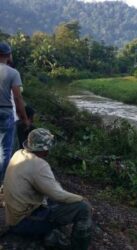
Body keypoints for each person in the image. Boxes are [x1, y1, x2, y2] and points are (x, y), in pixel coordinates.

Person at [3, 128, 92, 250]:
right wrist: (82, 199)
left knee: (55, 196)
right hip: (23, 223)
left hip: (14, 217)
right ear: (45, 149)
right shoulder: (39, 165)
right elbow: (58, 195)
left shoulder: (18, 153)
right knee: (83, 208)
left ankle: (50, 235)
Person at [0, 41, 29, 181]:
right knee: (5, 150)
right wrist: (24, 118)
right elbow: (17, 98)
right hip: (5, 112)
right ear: (8, 55)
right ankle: (2, 182)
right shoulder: (13, 73)